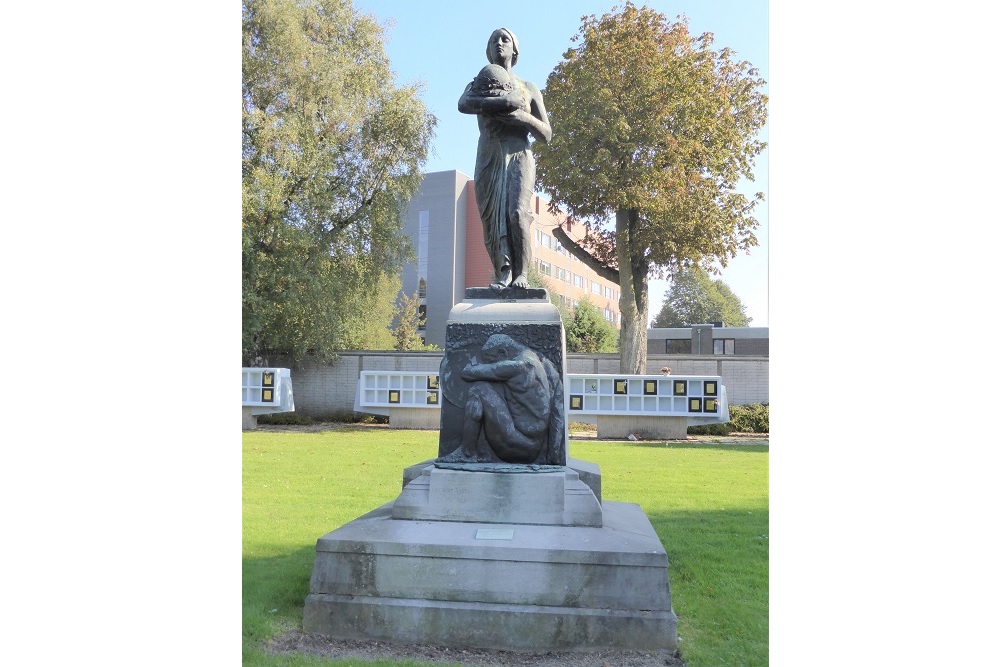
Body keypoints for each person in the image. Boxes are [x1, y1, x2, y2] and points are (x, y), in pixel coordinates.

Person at [458, 28, 551, 290]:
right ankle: (503, 272)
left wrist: (523, 117)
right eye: (493, 40)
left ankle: (521, 273)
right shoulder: (479, 83)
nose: (498, 43)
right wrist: (505, 101)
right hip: (489, 154)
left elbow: (546, 133)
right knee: (491, 217)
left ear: (514, 50)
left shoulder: (529, 88)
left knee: (517, 212)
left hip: (519, 153)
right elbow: (463, 105)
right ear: (487, 51)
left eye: (504, 39)